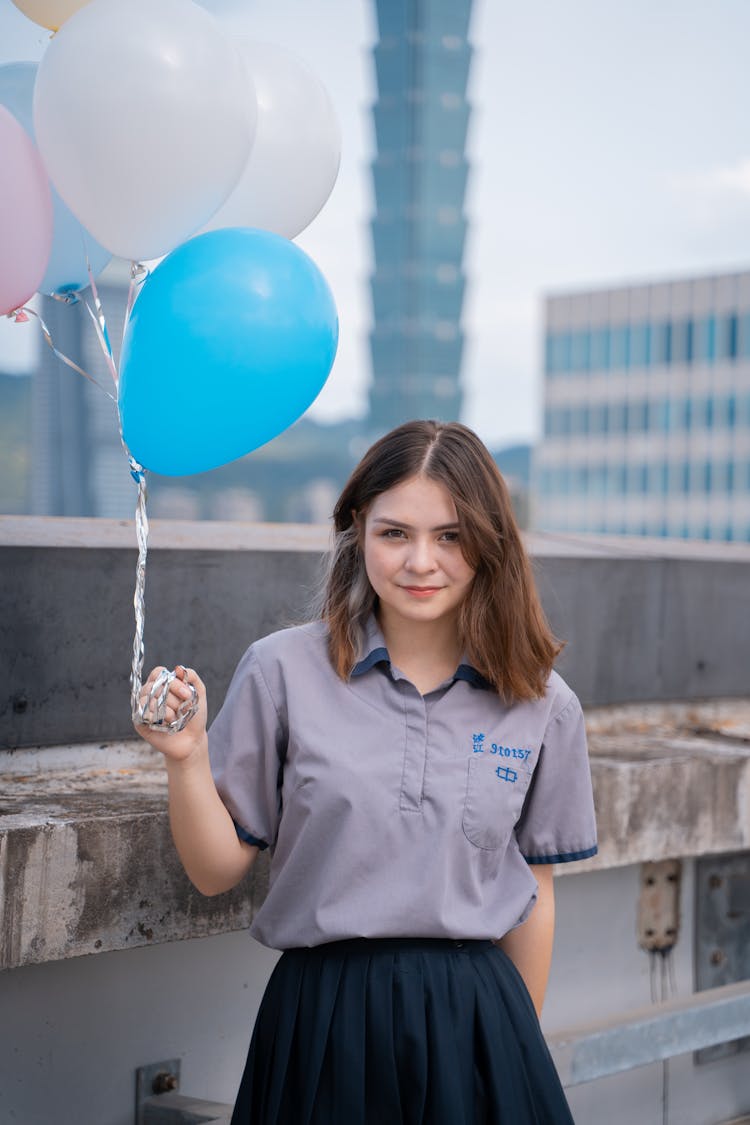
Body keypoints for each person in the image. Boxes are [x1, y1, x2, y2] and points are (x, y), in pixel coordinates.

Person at [136, 419, 598, 1125]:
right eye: (394, 533)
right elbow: (215, 870)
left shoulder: (540, 701)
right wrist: (187, 757)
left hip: (481, 1023)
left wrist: (513, 1056)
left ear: (491, 540)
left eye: (450, 535)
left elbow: (535, 897)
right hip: (323, 1021)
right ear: (357, 528)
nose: (421, 561)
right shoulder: (281, 669)